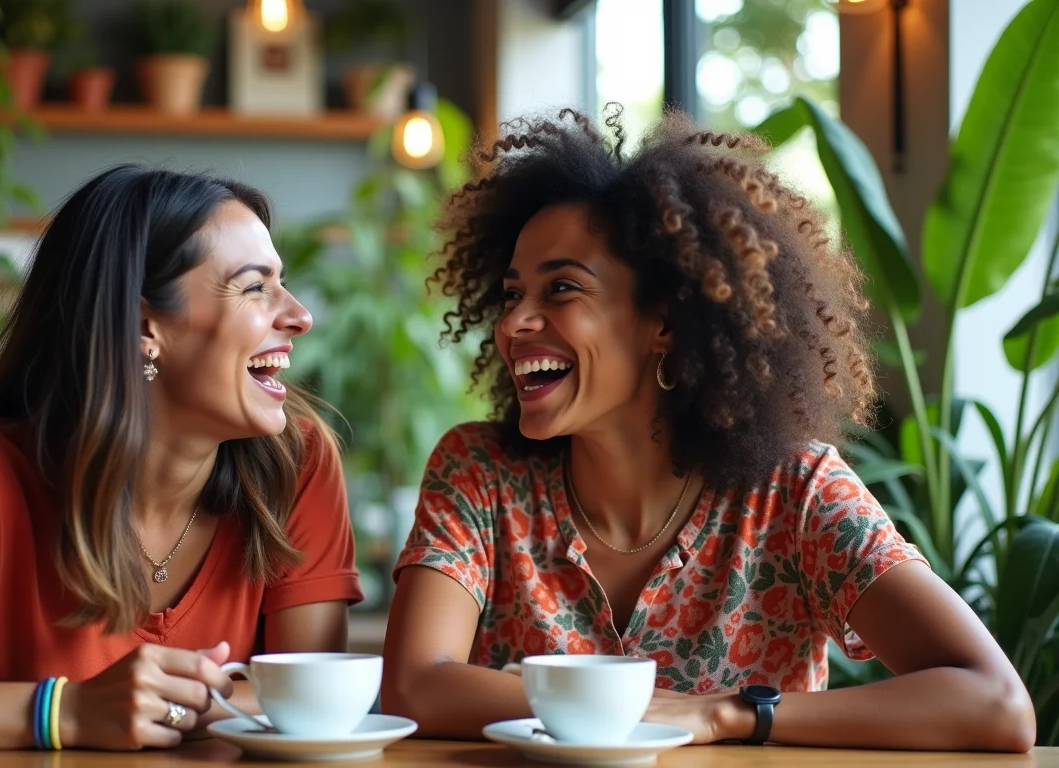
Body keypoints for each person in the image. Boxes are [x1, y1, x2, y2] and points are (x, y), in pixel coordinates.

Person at [380, 107, 1035, 751]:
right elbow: (416, 684)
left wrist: (727, 715)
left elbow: (996, 704)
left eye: (561, 291)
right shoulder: (480, 470)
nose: (513, 323)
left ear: (663, 320)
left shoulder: (796, 493)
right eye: (512, 293)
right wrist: (634, 709)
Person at [0, 166, 362, 752]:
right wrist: (66, 712)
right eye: (255, 287)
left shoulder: (297, 466)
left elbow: (310, 700)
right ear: (143, 328)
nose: (299, 316)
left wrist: (159, 707)